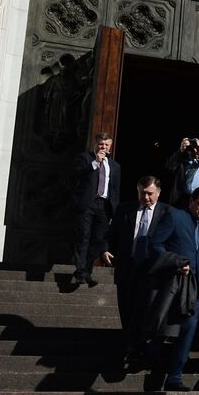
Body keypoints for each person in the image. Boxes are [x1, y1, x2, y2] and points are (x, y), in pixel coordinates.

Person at [146, 186, 199, 391]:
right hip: (171, 283)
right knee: (162, 325)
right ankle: (151, 354)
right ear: (191, 202)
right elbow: (156, 245)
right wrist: (176, 262)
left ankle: (174, 377)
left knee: (188, 330)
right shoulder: (175, 216)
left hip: (194, 287)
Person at [103, 176, 167, 365]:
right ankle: (131, 346)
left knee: (146, 311)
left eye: (150, 193)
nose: (146, 197)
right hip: (127, 267)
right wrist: (105, 249)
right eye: (142, 193)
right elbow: (111, 234)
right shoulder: (125, 209)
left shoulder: (167, 213)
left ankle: (139, 347)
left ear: (158, 193)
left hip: (152, 270)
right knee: (127, 309)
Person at [71, 131, 120, 287]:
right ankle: (80, 272)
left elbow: (115, 190)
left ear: (110, 147)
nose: (103, 147)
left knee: (98, 240)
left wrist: (114, 211)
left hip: (104, 206)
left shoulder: (115, 166)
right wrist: (94, 163)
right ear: (95, 144)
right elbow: (76, 174)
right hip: (87, 203)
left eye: (106, 145)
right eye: (100, 144)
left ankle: (87, 271)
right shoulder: (85, 158)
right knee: (83, 236)